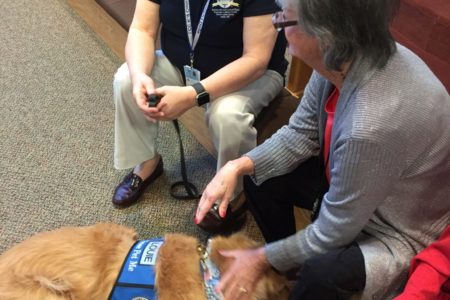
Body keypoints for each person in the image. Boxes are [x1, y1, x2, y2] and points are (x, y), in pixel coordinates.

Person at [195, 0, 450, 299]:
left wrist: (261, 257)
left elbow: (334, 231)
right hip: (358, 184)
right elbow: (301, 134)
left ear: (324, 36)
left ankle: (300, 273)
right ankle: (292, 266)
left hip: (397, 228)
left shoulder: (368, 124)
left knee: (322, 275)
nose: (277, 24)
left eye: (283, 21)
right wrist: (236, 166)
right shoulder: (343, 56)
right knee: (258, 175)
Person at [112, 0, 288, 233]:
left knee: (227, 116)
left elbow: (255, 60)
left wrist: (192, 95)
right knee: (126, 80)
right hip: (183, 64)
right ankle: (146, 163)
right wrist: (140, 76)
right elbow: (142, 30)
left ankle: (233, 193)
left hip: (250, 74)